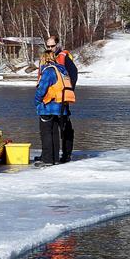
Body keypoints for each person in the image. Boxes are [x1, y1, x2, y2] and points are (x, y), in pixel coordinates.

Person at [34, 50, 72, 167]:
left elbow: (42, 89)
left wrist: (36, 102)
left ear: (44, 59)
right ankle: (55, 158)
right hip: (60, 106)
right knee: (54, 133)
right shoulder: (62, 70)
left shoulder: (49, 71)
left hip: (48, 106)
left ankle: (47, 160)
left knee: (46, 133)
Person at [46, 34, 77, 163]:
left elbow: (73, 75)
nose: (50, 48)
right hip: (50, 99)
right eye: (48, 46)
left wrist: (67, 92)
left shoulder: (64, 58)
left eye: (52, 46)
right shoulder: (48, 58)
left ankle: (66, 154)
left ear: (58, 45)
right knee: (50, 128)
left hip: (62, 98)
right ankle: (50, 154)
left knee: (65, 126)